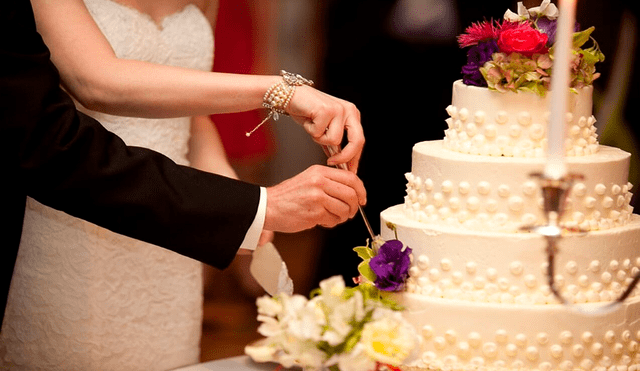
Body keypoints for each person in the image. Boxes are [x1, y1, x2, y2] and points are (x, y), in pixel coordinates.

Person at [0, 1, 366, 370]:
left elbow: (190, 107)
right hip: (80, 214)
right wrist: (281, 91)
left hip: (179, 233)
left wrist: (233, 194)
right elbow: (98, 81)